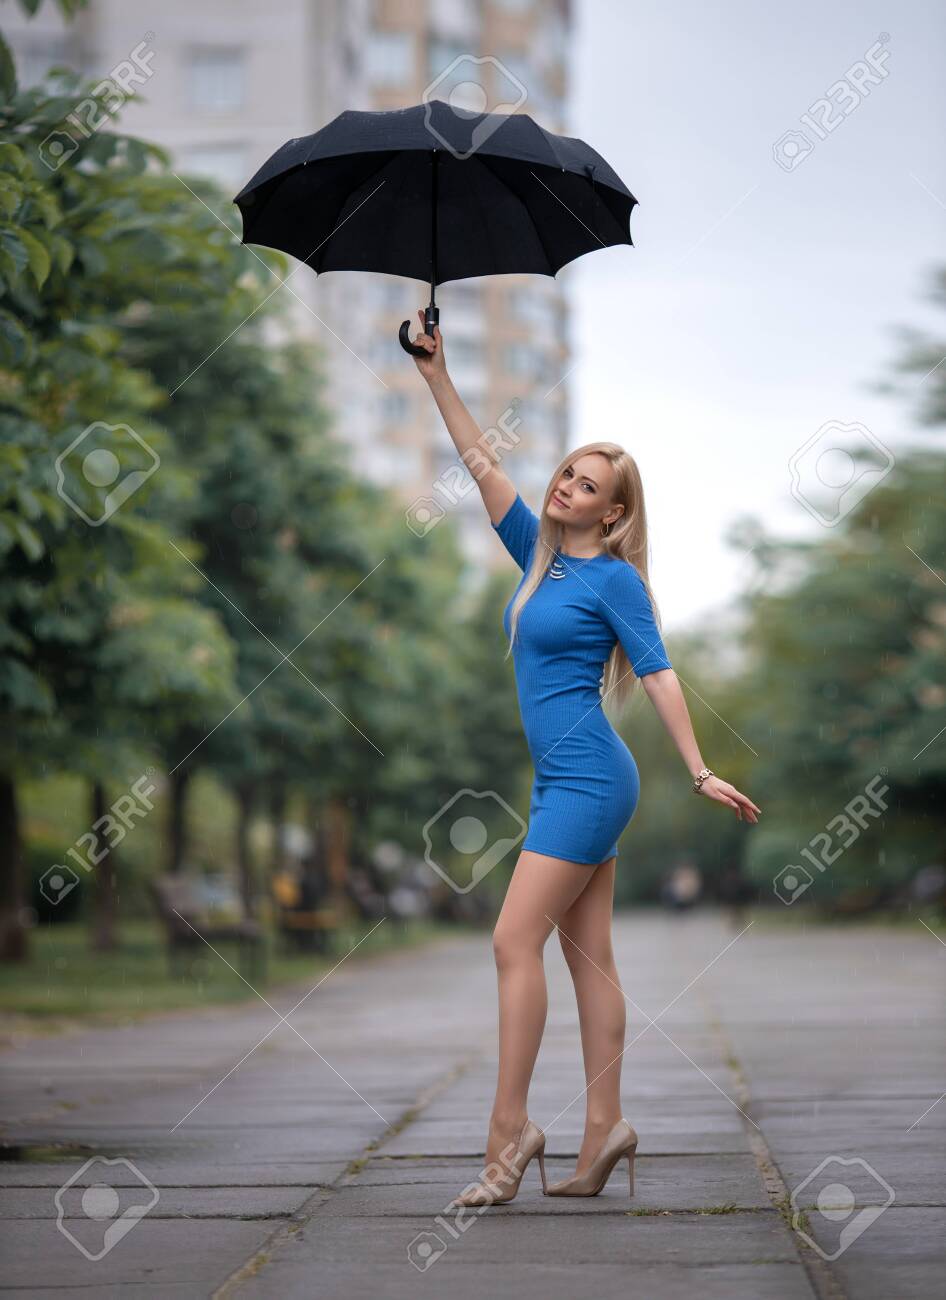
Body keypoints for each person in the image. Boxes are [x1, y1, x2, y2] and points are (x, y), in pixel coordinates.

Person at [411, 314, 761, 1207]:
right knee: (587, 960)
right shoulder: (536, 554)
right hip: (563, 779)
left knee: (509, 939)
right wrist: (435, 372)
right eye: (567, 470)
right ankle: (604, 1130)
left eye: (589, 483)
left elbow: (661, 675)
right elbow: (483, 465)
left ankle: (508, 1134)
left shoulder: (615, 581)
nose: (567, 484)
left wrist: (697, 767)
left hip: (594, 780)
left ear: (616, 511)